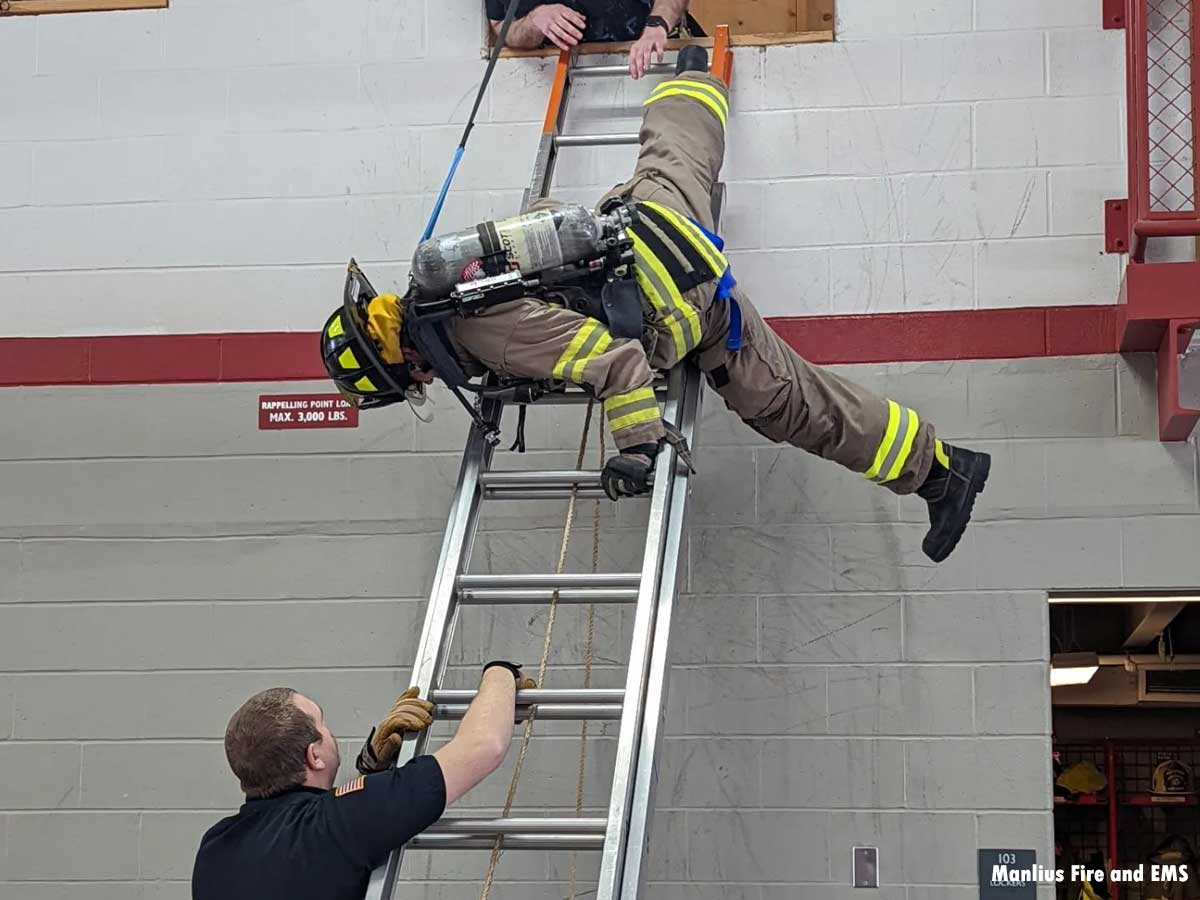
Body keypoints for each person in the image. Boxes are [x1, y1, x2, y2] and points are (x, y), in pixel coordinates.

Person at [319, 47, 991, 564]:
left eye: (410, 378)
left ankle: (941, 471)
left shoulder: (476, 327)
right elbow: (550, 218)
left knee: (786, 402)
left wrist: (637, 448)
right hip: (648, 223)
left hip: (689, 302)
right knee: (672, 155)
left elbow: (616, 362)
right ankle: (693, 72)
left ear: (404, 360)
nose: (426, 381)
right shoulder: (457, 275)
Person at [191, 661, 532, 900]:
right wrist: (500, 672)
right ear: (314, 756)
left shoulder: (215, 846)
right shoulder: (336, 824)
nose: (330, 732)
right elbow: (483, 746)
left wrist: (372, 767)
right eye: (324, 725)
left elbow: (313, 842)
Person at [486, 0, 693, 79]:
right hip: (560, 78)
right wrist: (534, 19)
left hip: (650, 63)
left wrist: (656, 25)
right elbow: (500, 28)